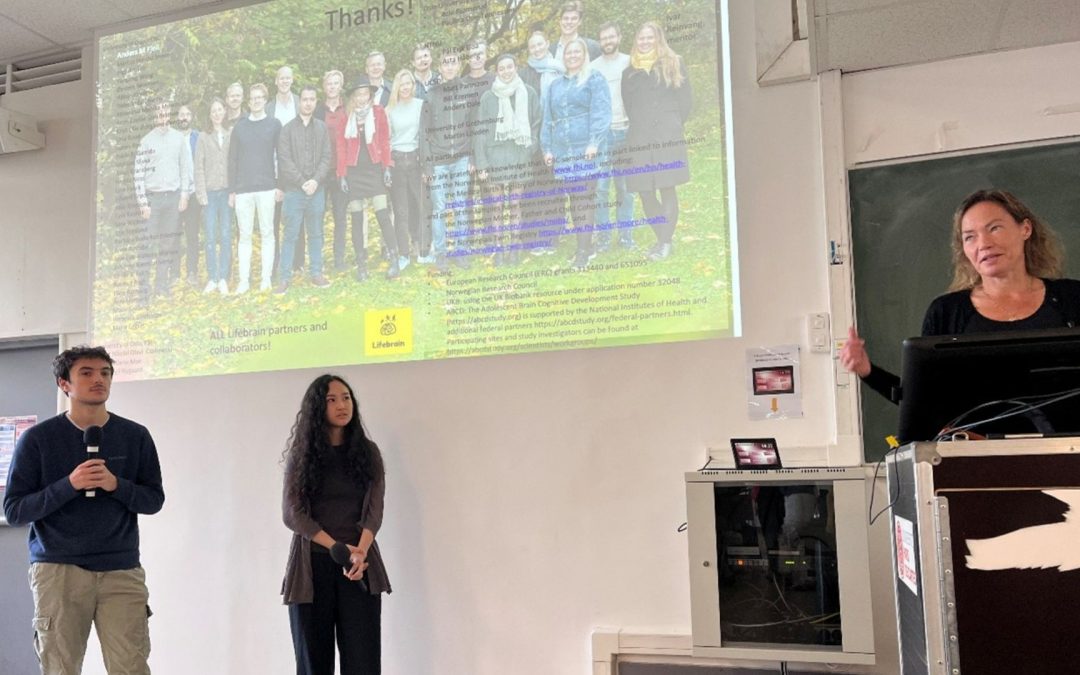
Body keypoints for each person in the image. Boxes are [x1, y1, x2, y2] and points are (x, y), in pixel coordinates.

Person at [3, 345, 165, 675]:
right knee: (60, 668)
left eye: (105, 373)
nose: (98, 380)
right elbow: (15, 509)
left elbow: (153, 500)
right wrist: (69, 484)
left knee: (131, 666)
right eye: (86, 373)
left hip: (120, 569)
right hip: (59, 571)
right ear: (64, 384)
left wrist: (115, 485)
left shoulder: (135, 436)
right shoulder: (38, 440)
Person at [840, 189, 1080, 403]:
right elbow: (921, 401)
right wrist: (867, 370)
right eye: (970, 237)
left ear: (1025, 229)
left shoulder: (1072, 298)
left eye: (994, 228)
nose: (983, 243)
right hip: (976, 451)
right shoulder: (947, 313)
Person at [281, 374, 390, 675]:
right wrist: (337, 548)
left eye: (346, 397)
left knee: (363, 661)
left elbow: (374, 512)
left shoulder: (368, 454)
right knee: (313, 662)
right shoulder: (302, 457)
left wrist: (359, 553)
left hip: (360, 567)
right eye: (331, 400)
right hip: (313, 568)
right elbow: (293, 514)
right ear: (318, 408)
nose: (342, 405)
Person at [622, 21, 692, 262]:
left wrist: (670, 124)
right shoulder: (629, 72)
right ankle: (663, 239)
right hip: (640, 139)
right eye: (640, 38)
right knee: (645, 192)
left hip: (666, 136)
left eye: (649, 38)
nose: (644, 42)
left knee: (667, 187)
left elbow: (686, 102)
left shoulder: (674, 63)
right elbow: (629, 107)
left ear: (658, 39)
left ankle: (663, 243)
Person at [541, 37, 611, 270]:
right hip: (563, 151)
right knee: (573, 201)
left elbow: (601, 111)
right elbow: (548, 119)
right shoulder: (555, 85)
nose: (572, 55)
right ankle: (586, 245)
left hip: (585, 149)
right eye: (568, 52)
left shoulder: (594, 78)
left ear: (584, 55)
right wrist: (547, 148)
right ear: (563, 56)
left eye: (576, 52)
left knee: (584, 200)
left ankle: (582, 252)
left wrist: (594, 142)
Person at [474, 54, 541, 266]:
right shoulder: (488, 97)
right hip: (495, 159)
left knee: (514, 204)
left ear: (516, 68)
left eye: (509, 67)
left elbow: (536, 123)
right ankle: (499, 250)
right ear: (497, 72)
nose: (506, 71)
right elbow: (480, 132)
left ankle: (513, 249)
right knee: (496, 206)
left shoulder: (528, 93)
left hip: (519, 156)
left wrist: (530, 149)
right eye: (501, 68)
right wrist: (482, 163)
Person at [335, 77, 395, 281]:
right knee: (357, 218)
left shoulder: (378, 113)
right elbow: (341, 148)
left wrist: (387, 167)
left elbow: (385, 141)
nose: (362, 98)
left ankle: (394, 260)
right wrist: (341, 174)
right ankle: (362, 265)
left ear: (369, 95)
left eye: (365, 94)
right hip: (354, 173)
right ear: (353, 97)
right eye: (358, 94)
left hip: (374, 170)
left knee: (382, 214)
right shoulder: (346, 118)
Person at [133, 98, 192, 305]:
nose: (162, 114)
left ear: (169, 113)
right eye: (158, 111)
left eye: (165, 110)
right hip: (153, 201)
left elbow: (185, 168)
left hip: (173, 198)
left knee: (168, 245)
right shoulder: (146, 141)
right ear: (154, 114)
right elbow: (138, 173)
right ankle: (143, 291)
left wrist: (184, 194)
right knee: (148, 245)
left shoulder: (178, 139)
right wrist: (142, 202)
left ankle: (161, 286)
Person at [276, 85, 333, 294]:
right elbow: (285, 160)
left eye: (312, 99)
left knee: (316, 233)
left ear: (316, 102)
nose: (308, 103)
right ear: (299, 102)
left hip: (317, 191)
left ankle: (316, 273)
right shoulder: (288, 129)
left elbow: (327, 157)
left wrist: (316, 181)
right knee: (290, 234)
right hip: (294, 191)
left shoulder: (321, 128)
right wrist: (302, 182)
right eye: (305, 99)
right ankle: (284, 278)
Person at [419, 48, 471, 273]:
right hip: (438, 161)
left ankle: (461, 251)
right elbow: (424, 133)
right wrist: (428, 164)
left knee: (460, 206)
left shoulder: (468, 92)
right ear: (439, 68)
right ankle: (440, 253)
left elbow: (475, 128)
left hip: (461, 158)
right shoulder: (431, 95)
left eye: (453, 63)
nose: (449, 67)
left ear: (458, 66)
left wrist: (474, 158)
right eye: (445, 63)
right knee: (439, 208)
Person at [228, 83, 282, 293]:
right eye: (253, 98)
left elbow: (281, 157)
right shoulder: (240, 127)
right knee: (245, 236)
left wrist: (280, 185)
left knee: (268, 233)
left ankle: (266, 279)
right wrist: (232, 190)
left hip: (268, 187)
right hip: (243, 190)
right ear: (248, 102)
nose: (256, 101)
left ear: (265, 101)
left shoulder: (274, 125)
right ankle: (244, 281)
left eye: (260, 97)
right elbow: (232, 160)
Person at [591, 22, 635, 251]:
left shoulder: (629, 62)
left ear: (619, 36)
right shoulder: (593, 67)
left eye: (611, 37)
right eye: (603, 38)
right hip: (603, 135)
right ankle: (604, 237)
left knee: (626, 188)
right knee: (601, 189)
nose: (607, 42)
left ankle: (626, 236)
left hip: (626, 131)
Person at [194, 97, 233, 295]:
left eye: (220, 110)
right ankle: (212, 277)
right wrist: (201, 193)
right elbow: (198, 166)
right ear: (210, 116)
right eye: (213, 111)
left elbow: (235, 164)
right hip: (209, 193)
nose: (217, 113)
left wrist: (233, 191)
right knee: (209, 236)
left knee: (226, 235)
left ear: (224, 112)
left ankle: (224, 277)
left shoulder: (230, 134)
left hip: (226, 192)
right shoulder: (203, 136)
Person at [315, 69, 352, 273]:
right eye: (329, 83)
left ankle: (339, 259)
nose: (332, 87)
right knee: (318, 217)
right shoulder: (318, 111)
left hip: (341, 171)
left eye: (336, 83)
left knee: (340, 216)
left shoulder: (347, 108)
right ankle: (318, 261)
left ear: (341, 86)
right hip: (321, 171)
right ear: (324, 86)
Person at [387, 70, 424, 272]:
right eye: (402, 84)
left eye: (409, 83)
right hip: (398, 162)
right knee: (401, 211)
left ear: (413, 84)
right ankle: (403, 253)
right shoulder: (390, 109)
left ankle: (422, 248)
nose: (406, 87)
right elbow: (386, 140)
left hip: (417, 159)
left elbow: (426, 135)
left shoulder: (421, 106)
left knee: (421, 205)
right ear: (397, 87)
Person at [176, 104, 202, 286]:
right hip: (176, 193)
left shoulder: (198, 137)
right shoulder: (172, 138)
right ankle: (175, 274)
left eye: (187, 114)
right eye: (181, 114)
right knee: (175, 235)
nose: (184, 117)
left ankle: (192, 272)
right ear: (178, 118)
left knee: (192, 234)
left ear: (191, 117)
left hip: (194, 194)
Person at [520, 31, 564, 106]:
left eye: (540, 44)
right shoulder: (522, 75)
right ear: (529, 50)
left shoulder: (559, 68)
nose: (537, 49)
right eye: (532, 47)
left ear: (547, 44)